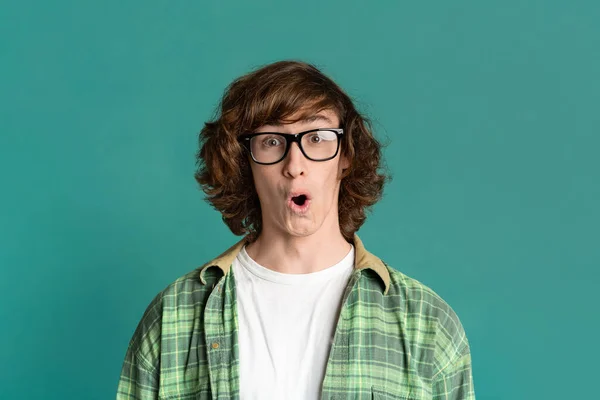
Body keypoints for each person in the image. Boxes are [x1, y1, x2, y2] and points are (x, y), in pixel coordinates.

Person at [116, 60, 476, 400]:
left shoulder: (427, 325)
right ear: (245, 162)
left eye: (317, 137)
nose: (295, 165)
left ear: (345, 156)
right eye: (272, 141)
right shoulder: (175, 316)